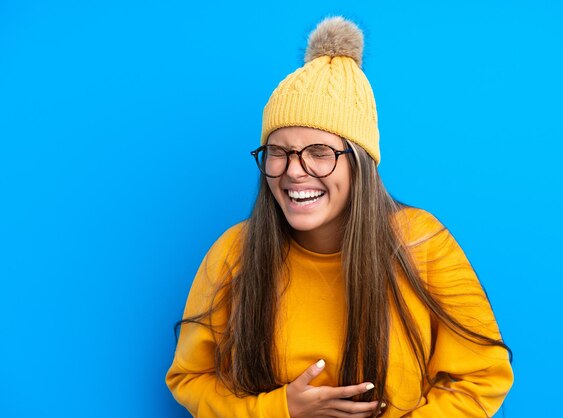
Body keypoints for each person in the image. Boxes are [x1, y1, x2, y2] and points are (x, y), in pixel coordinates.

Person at [166, 16, 513, 418]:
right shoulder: (234, 252)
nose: (294, 170)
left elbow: (482, 378)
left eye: (319, 152)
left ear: (360, 164)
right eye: (278, 152)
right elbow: (189, 377)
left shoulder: (421, 244)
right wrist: (279, 411)